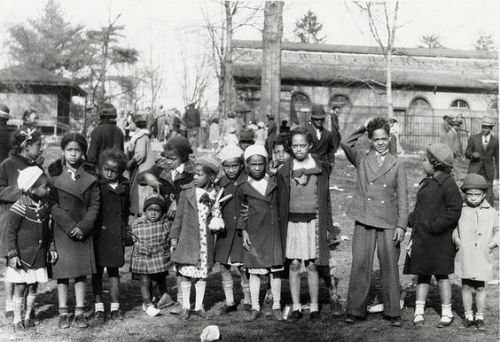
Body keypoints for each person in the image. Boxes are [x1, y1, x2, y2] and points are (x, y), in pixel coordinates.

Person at [341, 117, 408, 327]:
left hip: (388, 220)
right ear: (370, 139)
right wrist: (363, 126)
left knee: (389, 264)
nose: (380, 143)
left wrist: (401, 225)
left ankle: (393, 311)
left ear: (390, 138)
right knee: (360, 263)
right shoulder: (361, 157)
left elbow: (404, 198)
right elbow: (345, 142)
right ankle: (355, 309)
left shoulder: (397, 163)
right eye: (376, 139)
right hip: (364, 217)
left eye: (384, 138)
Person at [277, 127, 334, 321]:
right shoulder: (285, 170)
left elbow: (326, 199)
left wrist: (328, 227)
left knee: (311, 265)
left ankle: (315, 306)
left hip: (313, 221)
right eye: (295, 146)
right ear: (290, 147)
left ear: (310, 145)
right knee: (293, 264)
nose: (299, 149)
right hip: (292, 222)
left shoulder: (320, 168)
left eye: (303, 145)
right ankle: (296, 306)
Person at [403, 143, 462, 327]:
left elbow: (454, 210)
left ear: (435, 164)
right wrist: (408, 221)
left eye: (424, 160)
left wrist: (435, 226)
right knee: (422, 275)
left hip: (440, 241)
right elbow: (420, 209)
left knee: (442, 276)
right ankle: (419, 310)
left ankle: (446, 311)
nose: (422, 162)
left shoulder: (448, 184)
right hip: (422, 239)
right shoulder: (427, 182)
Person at [47, 133, 100, 329]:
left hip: (82, 231)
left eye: (78, 150)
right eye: (69, 150)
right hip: (63, 230)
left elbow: (95, 205)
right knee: (62, 273)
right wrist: (70, 227)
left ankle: (79, 310)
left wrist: (83, 226)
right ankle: (63, 311)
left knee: (80, 273)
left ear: (83, 152)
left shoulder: (91, 177)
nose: (73, 154)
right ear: (63, 151)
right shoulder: (53, 176)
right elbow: (52, 205)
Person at [137, 135, 195, 314]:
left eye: (173, 158)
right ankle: (160, 294)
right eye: (167, 158)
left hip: (185, 220)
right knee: (161, 256)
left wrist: (178, 200)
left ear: (184, 156)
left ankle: (182, 299)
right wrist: (150, 179)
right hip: (164, 222)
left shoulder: (192, 170)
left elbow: (197, 187)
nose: (169, 162)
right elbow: (141, 177)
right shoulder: (162, 166)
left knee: (181, 258)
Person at [236, 145, 284, 321]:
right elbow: (240, 210)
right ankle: (255, 306)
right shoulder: (243, 186)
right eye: (253, 164)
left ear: (265, 164)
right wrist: (244, 231)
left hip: (272, 230)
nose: (257, 168)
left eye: (260, 164)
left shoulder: (273, 181)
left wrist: (273, 174)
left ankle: (277, 305)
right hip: (254, 231)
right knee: (254, 270)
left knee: (275, 270)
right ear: (247, 165)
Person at [5, 167, 56, 331]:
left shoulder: (44, 206)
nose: (48, 189)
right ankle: (17, 318)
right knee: (20, 287)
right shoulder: (19, 208)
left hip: (39, 255)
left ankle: (28, 316)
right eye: (45, 187)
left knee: (34, 286)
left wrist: (51, 248)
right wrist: (13, 254)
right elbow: (10, 233)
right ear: (32, 189)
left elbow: (48, 231)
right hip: (23, 256)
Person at [0, 128, 43, 320]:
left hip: (31, 222)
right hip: (11, 217)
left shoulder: (37, 166)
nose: (40, 149)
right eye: (38, 146)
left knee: (30, 263)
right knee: (12, 264)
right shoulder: (7, 165)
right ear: (26, 147)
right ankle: (10, 304)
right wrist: (22, 189)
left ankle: (26, 306)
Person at [171, 156, 220, 320]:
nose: (195, 177)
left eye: (199, 175)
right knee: (186, 272)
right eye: (195, 174)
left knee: (201, 273)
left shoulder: (216, 193)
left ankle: (199, 306)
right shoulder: (187, 191)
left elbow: (217, 216)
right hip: (188, 237)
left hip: (205, 239)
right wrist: (174, 237)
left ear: (211, 177)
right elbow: (178, 216)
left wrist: (213, 205)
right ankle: (186, 306)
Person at [453, 174, 498, 331]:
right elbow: (453, 228)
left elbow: (498, 229)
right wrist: (456, 240)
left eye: (477, 195)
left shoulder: (491, 212)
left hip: (482, 256)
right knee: (465, 286)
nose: (473, 198)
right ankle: (468, 315)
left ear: (484, 194)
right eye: (469, 194)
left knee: (480, 287)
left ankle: (480, 316)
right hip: (465, 254)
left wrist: (493, 243)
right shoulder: (460, 210)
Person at [92, 148, 130, 323]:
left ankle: (115, 306)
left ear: (120, 171)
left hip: (116, 234)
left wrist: (124, 229)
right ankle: (98, 306)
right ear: (101, 167)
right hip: (99, 233)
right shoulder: (96, 184)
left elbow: (126, 210)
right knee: (97, 271)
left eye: (113, 171)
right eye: (106, 169)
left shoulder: (125, 186)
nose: (109, 173)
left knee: (114, 271)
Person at [215, 145, 251, 313]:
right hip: (225, 230)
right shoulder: (220, 183)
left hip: (240, 230)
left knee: (243, 266)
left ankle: (248, 298)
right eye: (227, 166)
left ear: (241, 165)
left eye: (234, 166)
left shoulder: (247, 181)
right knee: (223, 265)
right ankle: (229, 301)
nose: (231, 170)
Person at [129, 194, 171, 317]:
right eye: (150, 210)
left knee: (158, 279)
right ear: (145, 211)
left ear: (162, 212)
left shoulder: (165, 223)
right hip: (143, 256)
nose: (153, 214)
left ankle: (159, 298)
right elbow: (132, 238)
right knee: (145, 280)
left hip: (159, 257)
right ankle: (147, 303)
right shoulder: (137, 224)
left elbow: (168, 238)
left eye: (157, 211)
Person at [465, 115, 498, 207]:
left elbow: (497, 159)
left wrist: (498, 175)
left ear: (491, 128)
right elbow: (467, 153)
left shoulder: (495, 141)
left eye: (486, 127)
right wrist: (472, 155)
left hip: (488, 171)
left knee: (489, 192)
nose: (484, 129)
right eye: (483, 127)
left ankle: (489, 212)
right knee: (472, 189)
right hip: (475, 169)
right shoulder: (474, 138)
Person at [126, 114, 156, 216]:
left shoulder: (141, 137)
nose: (129, 125)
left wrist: (131, 163)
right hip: (145, 167)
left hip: (144, 168)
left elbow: (140, 154)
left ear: (136, 123)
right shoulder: (141, 135)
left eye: (131, 123)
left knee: (141, 191)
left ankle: (140, 213)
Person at [306, 104, 340, 174]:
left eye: (321, 119)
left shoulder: (328, 134)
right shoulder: (305, 132)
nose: (319, 121)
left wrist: (331, 164)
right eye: (316, 119)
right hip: (307, 169)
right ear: (312, 119)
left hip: (323, 170)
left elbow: (330, 151)